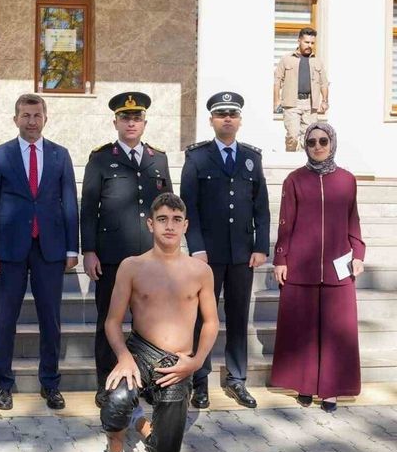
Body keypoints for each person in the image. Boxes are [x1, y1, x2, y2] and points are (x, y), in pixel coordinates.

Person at [100, 193, 219, 452]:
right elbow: (112, 322)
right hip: (140, 352)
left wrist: (196, 362)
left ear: (185, 225)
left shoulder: (200, 271)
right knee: (117, 400)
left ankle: (138, 420)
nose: (170, 226)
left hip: (178, 361)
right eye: (163, 219)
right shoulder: (132, 266)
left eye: (176, 220)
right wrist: (124, 357)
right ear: (150, 224)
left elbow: (211, 322)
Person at [0, 94, 79, 411]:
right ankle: (3, 384)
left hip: (50, 249)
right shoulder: (0, 155)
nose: (31, 121)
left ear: (45, 118)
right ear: (15, 119)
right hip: (9, 248)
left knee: (50, 320)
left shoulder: (60, 155)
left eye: (37, 115)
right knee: (5, 319)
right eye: (25, 115)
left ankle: (50, 383)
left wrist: (72, 247)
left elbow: (70, 202)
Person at [81, 91, 172, 408]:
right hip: (112, 259)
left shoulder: (158, 159)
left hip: (150, 258)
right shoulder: (100, 159)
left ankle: (146, 382)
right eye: (125, 118)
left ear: (144, 122)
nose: (131, 123)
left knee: (150, 323)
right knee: (109, 320)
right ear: (115, 122)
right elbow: (88, 209)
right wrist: (89, 251)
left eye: (136, 118)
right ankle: (107, 383)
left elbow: (168, 208)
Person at [180, 92, 270, 409]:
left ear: (240, 120)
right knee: (203, 318)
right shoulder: (197, 158)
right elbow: (188, 207)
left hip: (242, 254)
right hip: (207, 255)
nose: (227, 119)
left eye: (232, 114)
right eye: (221, 114)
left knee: (238, 315)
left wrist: (261, 246)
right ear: (212, 120)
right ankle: (199, 380)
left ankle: (236, 379)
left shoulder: (251, 158)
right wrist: (196, 248)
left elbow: (261, 207)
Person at [270, 122, 365, 413]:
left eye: (323, 140)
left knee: (336, 328)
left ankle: (331, 389)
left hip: (339, 267)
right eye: (311, 142)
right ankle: (305, 385)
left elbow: (353, 220)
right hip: (302, 266)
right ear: (305, 146)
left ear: (332, 142)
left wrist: (358, 253)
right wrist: (281, 258)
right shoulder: (294, 180)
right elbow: (285, 223)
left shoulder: (347, 180)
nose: (318, 146)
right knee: (303, 329)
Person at [274, 27, 329, 152]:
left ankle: (304, 163)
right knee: (292, 136)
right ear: (299, 41)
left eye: (312, 43)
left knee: (309, 138)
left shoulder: (317, 61)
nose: (310, 45)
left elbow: (324, 83)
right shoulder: (287, 59)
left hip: (310, 104)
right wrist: (276, 100)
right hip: (291, 103)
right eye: (307, 42)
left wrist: (325, 101)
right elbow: (277, 80)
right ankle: (291, 160)